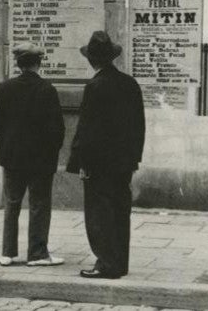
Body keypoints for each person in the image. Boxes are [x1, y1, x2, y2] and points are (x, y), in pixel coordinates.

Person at [66, 31, 145, 279]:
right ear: (111, 57)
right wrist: (134, 158)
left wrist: (82, 162)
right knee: (121, 211)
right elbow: (138, 125)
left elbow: (87, 129)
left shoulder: (95, 86)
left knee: (100, 214)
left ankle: (106, 263)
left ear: (91, 60)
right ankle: (120, 263)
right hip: (124, 162)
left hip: (99, 164)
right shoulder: (129, 83)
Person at [0, 42, 65, 267]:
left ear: (18, 63)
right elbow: (57, 129)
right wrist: (52, 150)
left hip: (11, 156)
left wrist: (9, 141)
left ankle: (7, 253)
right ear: (39, 63)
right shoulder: (47, 89)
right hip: (41, 159)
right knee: (39, 205)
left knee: (12, 203)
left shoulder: (5, 88)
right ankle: (37, 253)